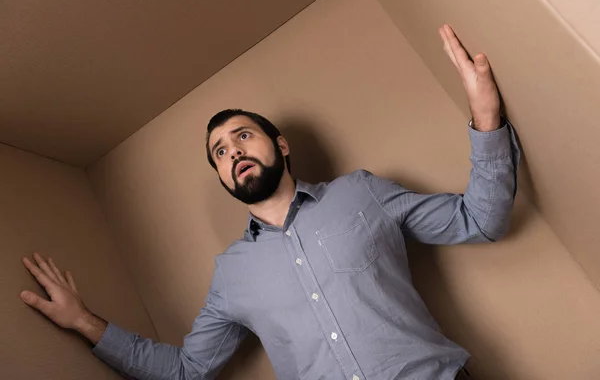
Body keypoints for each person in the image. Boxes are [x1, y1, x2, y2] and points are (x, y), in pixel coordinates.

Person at [20, 25, 519, 380]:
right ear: (222, 174)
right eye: (219, 151)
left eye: (242, 135)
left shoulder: (361, 193)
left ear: (279, 144)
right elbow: (186, 371)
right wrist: (84, 322)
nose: (232, 149)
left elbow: (480, 220)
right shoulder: (231, 277)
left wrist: (486, 114)